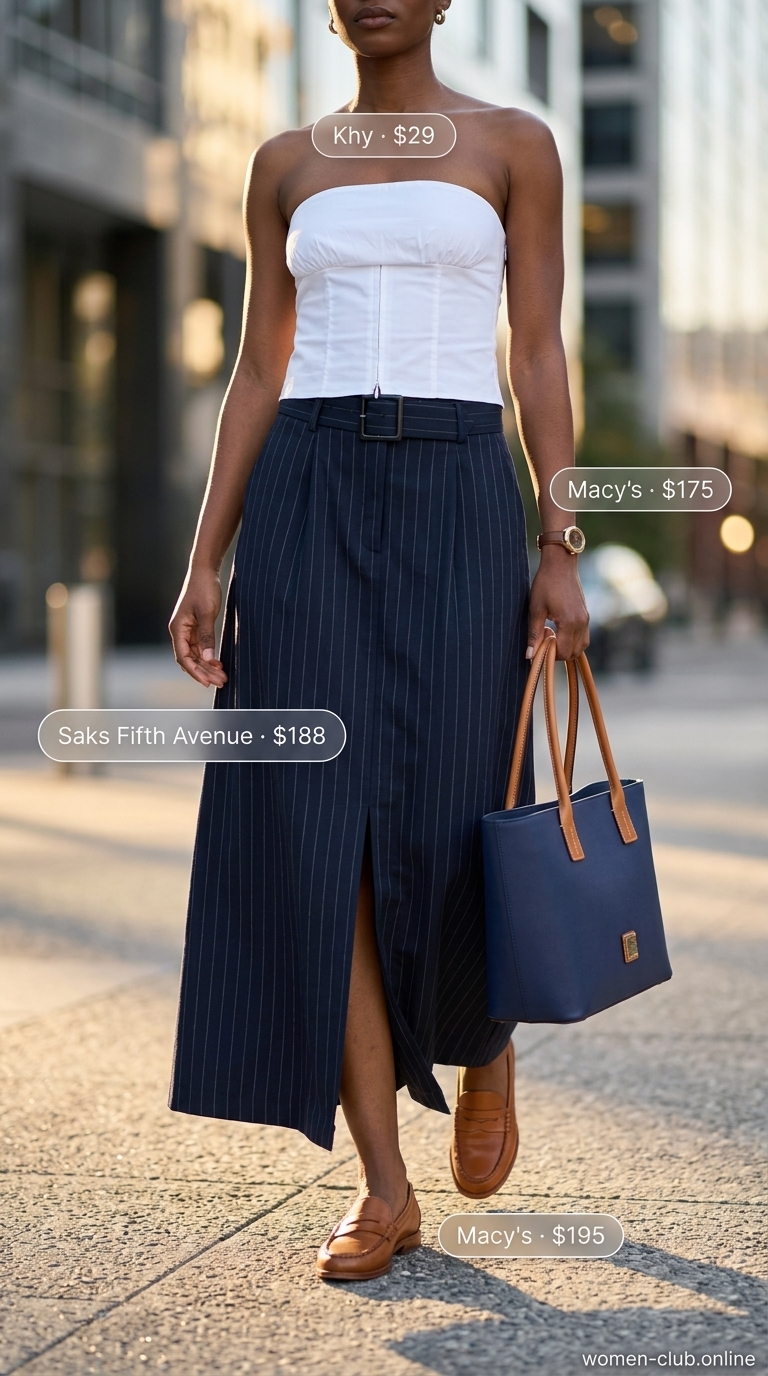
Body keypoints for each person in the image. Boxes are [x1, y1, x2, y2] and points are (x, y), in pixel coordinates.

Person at [167, 0, 589, 1283]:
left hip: (462, 486)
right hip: (307, 489)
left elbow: (536, 348)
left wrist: (560, 541)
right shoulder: (286, 162)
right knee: (315, 828)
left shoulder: (514, 142)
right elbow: (256, 365)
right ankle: (383, 1186)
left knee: (463, 806)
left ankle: (486, 1030)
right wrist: (207, 554)